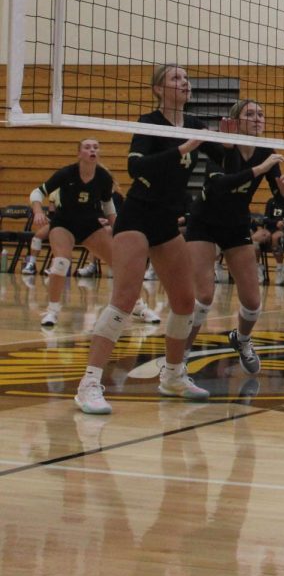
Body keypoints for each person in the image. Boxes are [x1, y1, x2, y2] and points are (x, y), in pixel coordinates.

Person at [74, 64, 225, 414]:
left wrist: (236, 137)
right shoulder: (149, 122)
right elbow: (137, 168)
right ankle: (89, 384)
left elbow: (227, 158)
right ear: (158, 89)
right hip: (137, 217)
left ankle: (172, 375)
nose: (184, 82)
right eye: (175, 78)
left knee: (185, 301)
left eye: (186, 78)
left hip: (166, 221)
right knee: (124, 301)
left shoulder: (196, 126)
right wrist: (185, 148)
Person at [184, 99, 284, 375]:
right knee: (203, 297)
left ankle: (241, 340)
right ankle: (179, 355)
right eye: (250, 114)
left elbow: (279, 193)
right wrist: (260, 169)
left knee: (253, 302)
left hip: (235, 224)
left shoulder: (266, 151)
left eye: (261, 114)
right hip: (204, 221)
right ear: (236, 120)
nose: (257, 118)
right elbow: (221, 185)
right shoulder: (223, 147)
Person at [27, 139, 118, 328]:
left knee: (119, 263)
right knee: (61, 262)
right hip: (64, 223)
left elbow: (108, 205)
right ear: (79, 154)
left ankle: (137, 306)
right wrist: (37, 211)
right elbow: (37, 192)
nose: (92, 149)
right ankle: (52, 311)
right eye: (87, 147)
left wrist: (117, 227)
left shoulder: (104, 177)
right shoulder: (66, 173)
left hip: (90, 225)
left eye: (95, 147)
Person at [256, 186, 284, 285]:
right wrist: (275, 222)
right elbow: (265, 219)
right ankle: (258, 267)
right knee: (255, 238)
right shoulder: (271, 201)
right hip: (270, 229)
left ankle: (280, 267)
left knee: (275, 237)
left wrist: (276, 223)